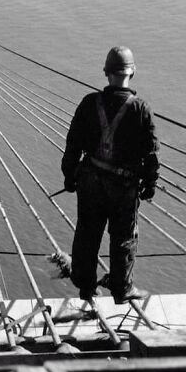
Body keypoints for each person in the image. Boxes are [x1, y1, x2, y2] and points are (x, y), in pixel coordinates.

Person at [61, 47, 159, 304]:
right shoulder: (141, 109)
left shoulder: (88, 103)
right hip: (124, 187)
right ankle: (122, 289)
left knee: (87, 233)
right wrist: (150, 184)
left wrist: (69, 176)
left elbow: (73, 143)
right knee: (124, 238)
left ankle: (86, 287)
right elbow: (151, 155)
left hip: (91, 181)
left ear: (106, 73)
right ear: (132, 72)